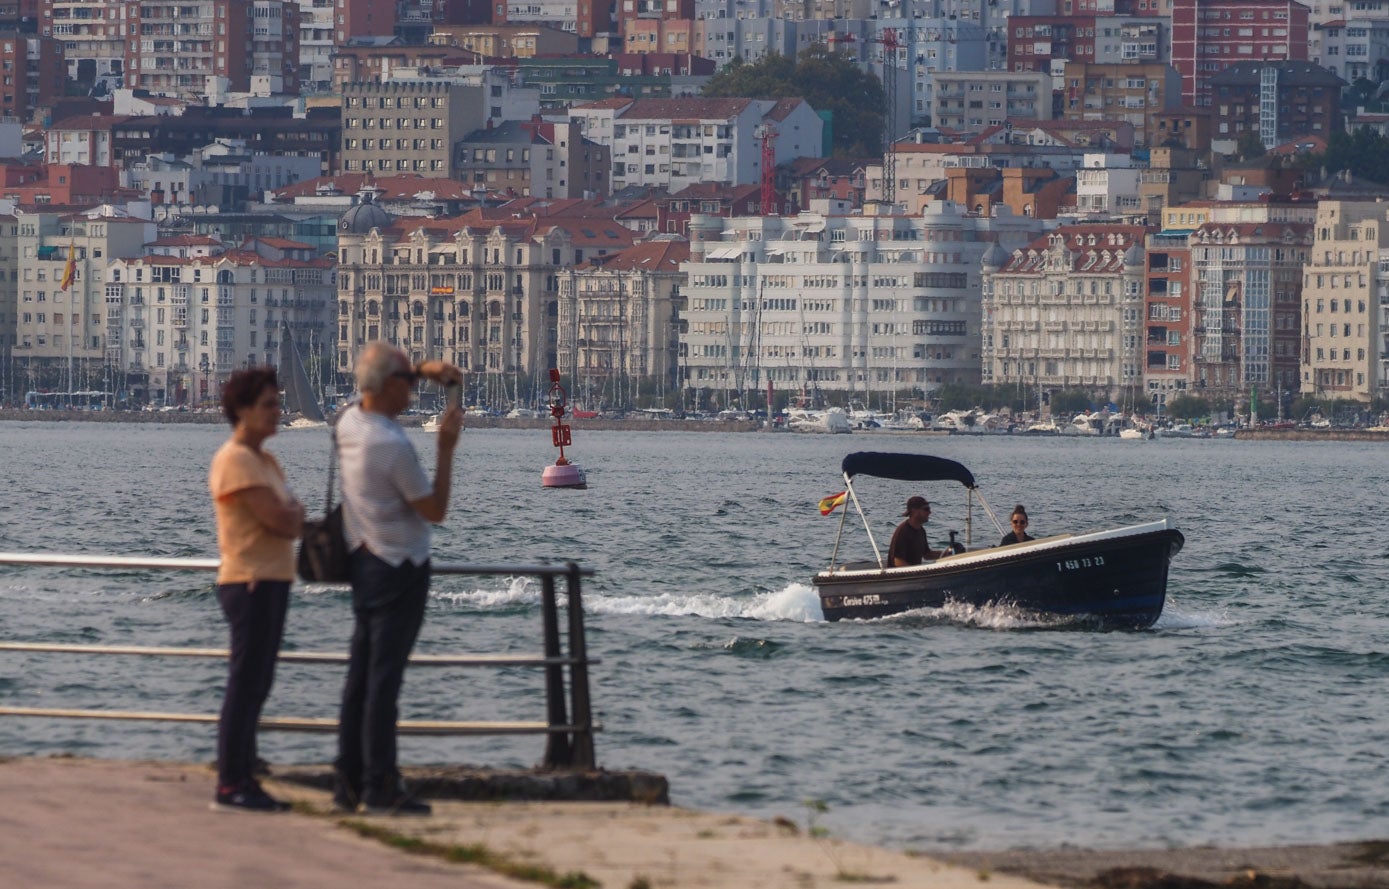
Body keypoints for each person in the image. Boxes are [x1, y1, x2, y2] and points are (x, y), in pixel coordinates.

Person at [333, 342, 464, 815]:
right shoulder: (390, 445)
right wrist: (446, 449)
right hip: (399, 567)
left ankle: (347, 781)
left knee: (360, 679)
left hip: (363, 559)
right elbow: (436, 509)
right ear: (388, 387)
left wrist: (423, 369)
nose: (412, 392)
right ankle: (380, 786)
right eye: (407, 383)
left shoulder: (348, 422)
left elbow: (364, 390)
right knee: (384, 684)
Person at [208, 367, 305, 812]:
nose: (277, 412)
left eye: (277, 403)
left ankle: (245, 768)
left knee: (259, 681)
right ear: (242, 410)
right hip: (248, 580)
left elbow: (290, 516)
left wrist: (292, 515)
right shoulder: (236, 459)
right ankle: (231, 782)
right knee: (245, 683)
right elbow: (282, 519)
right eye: (268, 404)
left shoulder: (266, 461)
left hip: (273, 578)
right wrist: (292, 515)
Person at [887, 495, 948, 566]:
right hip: (902, 575)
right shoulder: (903, 531)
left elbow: (927, 555)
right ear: (914, 510)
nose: (929, 512)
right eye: (926, 509)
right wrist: (917, 573)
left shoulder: (921, 530)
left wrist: (947, 553)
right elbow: (898, 561)